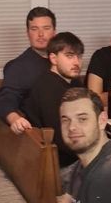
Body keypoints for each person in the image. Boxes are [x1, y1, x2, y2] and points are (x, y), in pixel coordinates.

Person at [23, 32, 85, 168]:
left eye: (79, 56)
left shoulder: (73, 82)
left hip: (71, 155)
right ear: (53, 58)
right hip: (61, 164)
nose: (76, 62)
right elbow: (60, 138)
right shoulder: (48, 88)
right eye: (69, 56)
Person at [0, 7, 57, 134]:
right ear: (28, 33)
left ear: (54, 32)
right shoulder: (18, 67)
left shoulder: (62, 60)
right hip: (42, 135)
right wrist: (15, 119)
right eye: (34, 29)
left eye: (46, 28)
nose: (40, 34)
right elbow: (4, 101)